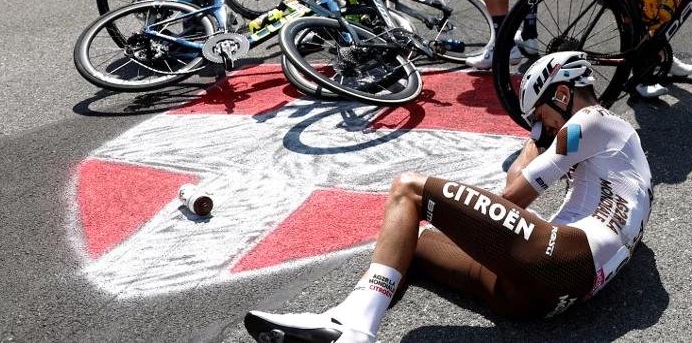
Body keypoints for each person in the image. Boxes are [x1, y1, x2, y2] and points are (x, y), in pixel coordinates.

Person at [243, 51, 653, 343]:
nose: (543, 133)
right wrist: (538, 130)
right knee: (413, 244)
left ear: (562, 96)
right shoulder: (626, 162)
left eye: (541, 119)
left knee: (410, 189)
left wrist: (534, 138)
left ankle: (355, 331)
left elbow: (512, 198)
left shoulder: (591, 120)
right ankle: (344, 318)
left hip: (561, 260)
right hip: (544, 300)